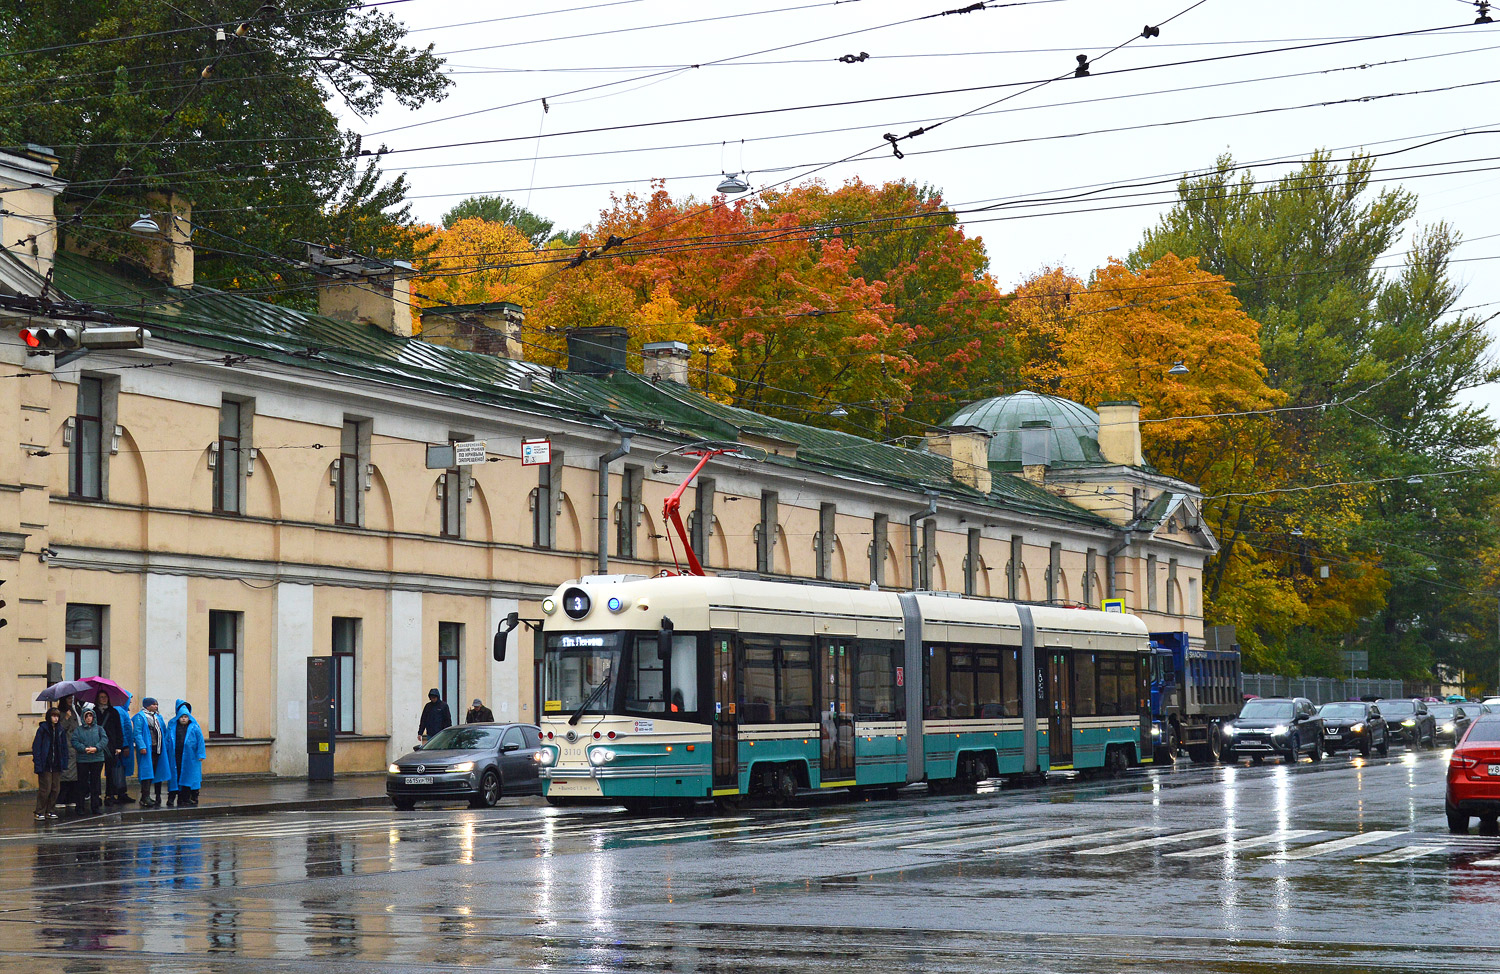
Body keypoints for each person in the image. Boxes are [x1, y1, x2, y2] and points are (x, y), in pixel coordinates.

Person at [133, 697, 173, 808]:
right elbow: (137, 733)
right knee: (146, 773)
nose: (156, 706)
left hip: (157, 748)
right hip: (147, 749)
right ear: (147, 705)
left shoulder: (157, 717)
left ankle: (151, 796)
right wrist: (142, 746)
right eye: (154, 704)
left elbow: (163, 731)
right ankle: (144, 796)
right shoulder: (140, 717)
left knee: (155, 772)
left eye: (157, 704)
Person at [70, 705, 108, 815]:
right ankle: (80, 807)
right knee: (82, 784)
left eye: (90, 716)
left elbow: (104, 740)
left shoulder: (99, 729)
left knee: (95, 784)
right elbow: (74, 741)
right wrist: (84, 749)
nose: (88, 718)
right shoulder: (78, 730)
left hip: (97, 758)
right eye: (86, 716)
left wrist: (96, 748)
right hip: (83, 759)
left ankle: (95, 806)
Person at [31, 708, 68, 821]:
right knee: (45, 789)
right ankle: (39, 811)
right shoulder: (43, 729)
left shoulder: (60, 730)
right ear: (49, 717)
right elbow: (36, 747)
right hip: (45, 764)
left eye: (57, 716)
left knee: (55, 789)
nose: (55, 718)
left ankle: (50, 810)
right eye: (53, 716)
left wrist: (64, 762)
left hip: (56, 763)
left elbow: (64, 747)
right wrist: (38, 763)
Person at [170, 700, 206, 807]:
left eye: (185, 717)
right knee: (178, 775)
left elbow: (200, 741)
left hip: (191, 757)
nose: (183, 719)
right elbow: (168, 740)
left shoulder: (194, 727)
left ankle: (188, 797)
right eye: (181, 717)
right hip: (177, 755)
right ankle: (179, 797)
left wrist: (201, 754)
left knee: (189, 776)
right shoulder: (173, 726)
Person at [94, 690, 127, 805]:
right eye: (101, 697)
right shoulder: (93, 712)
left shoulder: (113, 712)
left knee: (111, 772)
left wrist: (119, 746)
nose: (104, 699)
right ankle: (96, 795)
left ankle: (110, 795)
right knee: (96, 772)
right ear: (97, 699)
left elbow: (118, 729)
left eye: (105, 697)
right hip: (97, 745)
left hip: (111, 745)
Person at [112, 698, 137, 804]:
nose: (130, 702)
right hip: (122, 747)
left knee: (120, 770)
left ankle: (120, 792)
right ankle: (119, 793)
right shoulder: (119, 711)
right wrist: (125, 745)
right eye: (129, 699)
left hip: (123, 746)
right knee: (119, 770)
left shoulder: (122, 711)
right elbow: (121, 729)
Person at [57, 695, 79, 813]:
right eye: (69, 698)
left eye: (72, 698)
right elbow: (59, 729)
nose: (71, 700)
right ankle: (61, 799)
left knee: (73, 775)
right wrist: (65, 718)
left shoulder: (73, 711)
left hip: (74, 747)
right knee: (65, 774)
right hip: (66, 748)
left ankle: (71, 798)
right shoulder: (61, 713)